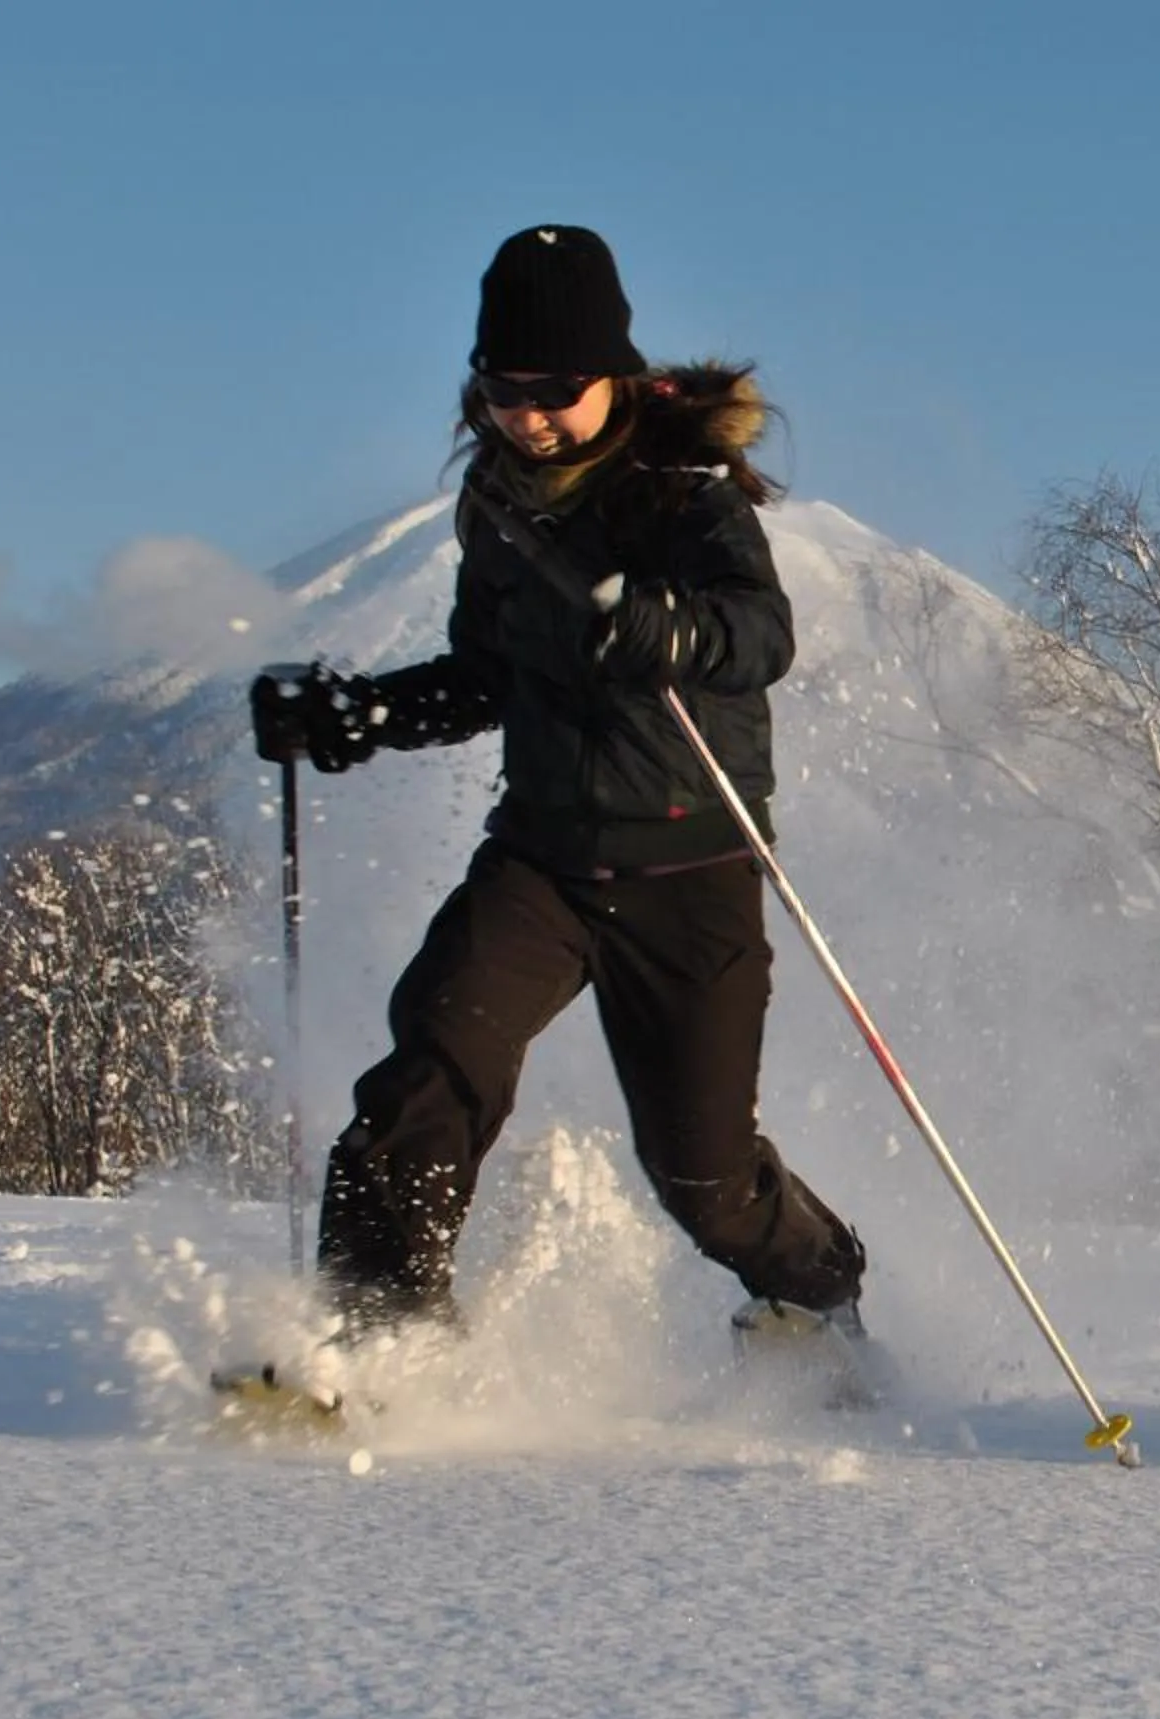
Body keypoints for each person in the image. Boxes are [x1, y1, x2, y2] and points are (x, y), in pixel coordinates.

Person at [251, 222, 869, 1373]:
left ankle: (816, 1294)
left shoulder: (685, 494)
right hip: (543, 859)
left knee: (706, 1180)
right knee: (428, 1070)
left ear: (614, 374)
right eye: (502, 387)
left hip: (691, 868)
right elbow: (488, 671)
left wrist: (663, 627)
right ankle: (379, 1341)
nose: (529, 414)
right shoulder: (494, 503)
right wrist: (364, 714)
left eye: (557, 390)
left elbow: (761, 633)